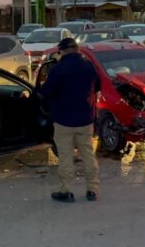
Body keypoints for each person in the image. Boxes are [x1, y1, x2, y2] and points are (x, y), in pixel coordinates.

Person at [41, 37, 100, 203]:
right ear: (77, 49)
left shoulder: (58, 69)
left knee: (66, 157)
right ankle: (92, 190)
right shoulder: (88, 66)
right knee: (88, 155)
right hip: (85, 119)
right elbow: (98, 86)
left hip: (63, 120)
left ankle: (66, 190)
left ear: (63, 51)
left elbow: (46, 92)